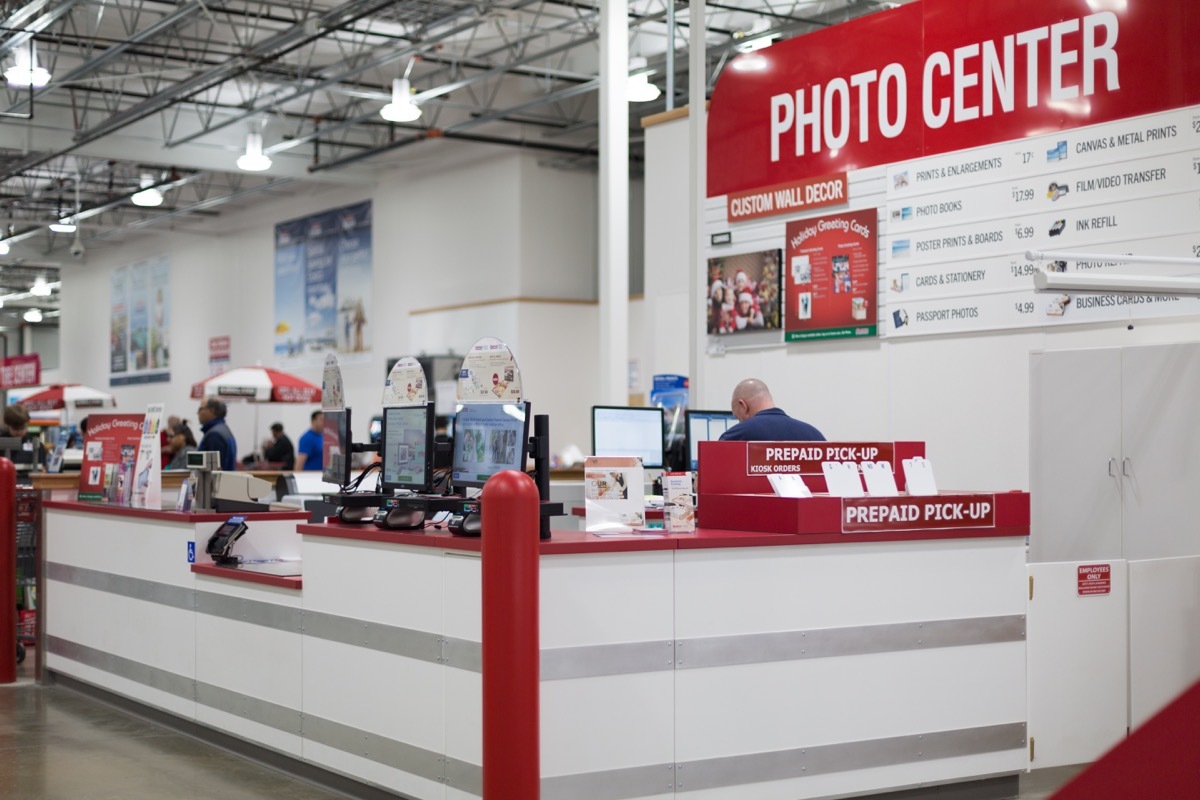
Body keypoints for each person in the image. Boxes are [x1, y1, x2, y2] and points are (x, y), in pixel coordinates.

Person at [719, 379, 825, 442]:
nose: (740, 422)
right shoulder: (815, 435)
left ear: (743, 405)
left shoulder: (736, 436)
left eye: (738, 417)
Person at [196, 397, 238, 471]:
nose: (197, 413)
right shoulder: (224, 430)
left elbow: (213, 471)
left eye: (200, 409)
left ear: (212, 411)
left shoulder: (214, 435)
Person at [0, 403, 46, 469]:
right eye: (15, 428)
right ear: (8, 425)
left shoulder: (36, 445)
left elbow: (43, 469)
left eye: (22, 428)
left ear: (27, 424)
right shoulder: (1, 442)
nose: (19, 432)